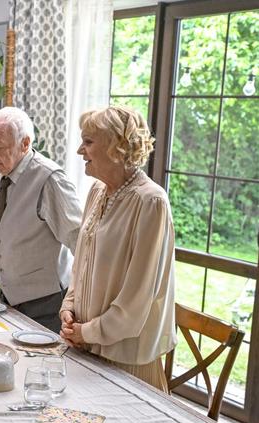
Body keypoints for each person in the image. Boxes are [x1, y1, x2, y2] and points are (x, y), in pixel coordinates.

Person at [59, 105, 177, 391]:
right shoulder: (97, 191)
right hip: (85, 348)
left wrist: (87, 332)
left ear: (117, 148)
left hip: (125, 360)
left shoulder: (151, 202)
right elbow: (82, 264)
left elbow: (138, 298)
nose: (79, 151)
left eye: (88, 142)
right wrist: (69, 306)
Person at [0, 107, 82, 333]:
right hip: (8, 298)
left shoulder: (50, 180)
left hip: (48, 302)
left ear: (25, 143)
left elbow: (79, 240)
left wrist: (82, 296)